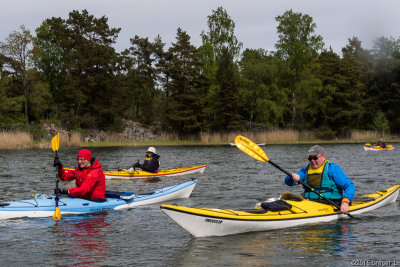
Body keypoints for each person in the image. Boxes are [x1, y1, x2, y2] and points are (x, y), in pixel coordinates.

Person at [284, 145, 355, 214]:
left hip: (330, 203)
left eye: (315, 158)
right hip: (309, 202)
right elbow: (288, 182)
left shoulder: (332, 169)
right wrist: (292, 176)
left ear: (324, 157)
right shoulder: (305, 171)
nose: (312, 161)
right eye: (310, 158)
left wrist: (345, 202)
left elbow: (350, 186)